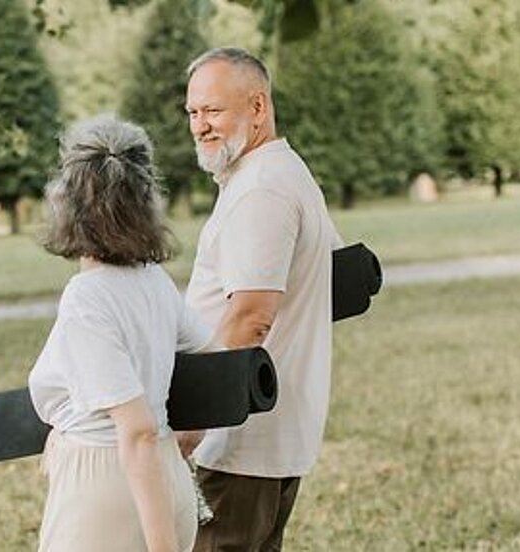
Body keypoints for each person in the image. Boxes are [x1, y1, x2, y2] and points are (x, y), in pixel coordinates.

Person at [178, 47, 342, 550]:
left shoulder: (261, 191)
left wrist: (191, 425)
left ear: (257, 107)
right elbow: (339, 277)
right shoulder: (280, 171)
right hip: (264, 433)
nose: (200, 125)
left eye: (213, 110)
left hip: (238, 439)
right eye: (192, 112)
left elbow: (251, 318)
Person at [29, 115, 215, 552]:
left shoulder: (87, 298)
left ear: (66, 200)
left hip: (109, 493)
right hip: (166, 478)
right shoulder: (154, 282)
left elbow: (137, 430)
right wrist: (193, 432)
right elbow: (216, 358)